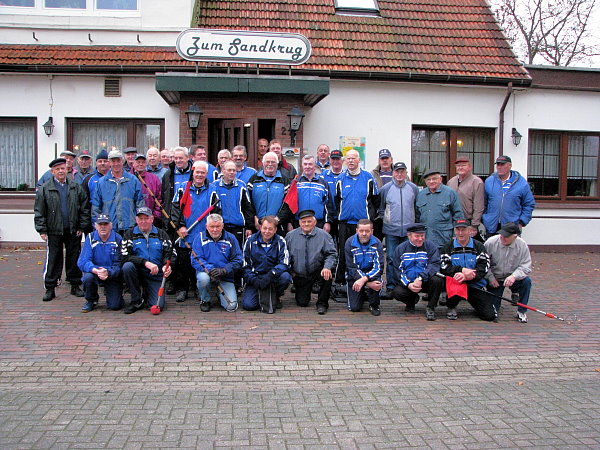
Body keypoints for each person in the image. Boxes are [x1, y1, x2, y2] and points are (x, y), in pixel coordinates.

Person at [34, 157, 89, 301]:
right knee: (54, 259)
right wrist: (42, 230)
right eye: (57, 169)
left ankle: (75, 285)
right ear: (52, 172)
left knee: (74, 258)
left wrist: (81, 226)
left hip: (73, 230)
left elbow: (84, 208)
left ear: (67, 170)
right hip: (53, 230)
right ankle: (50, 287)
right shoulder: (45, 189)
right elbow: (39, 211)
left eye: (62, 168)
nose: (60, 171)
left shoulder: (75, 187)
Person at [171, 160, 220, 303]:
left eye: (202, 172)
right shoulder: (182, 189)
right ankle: (182, 289)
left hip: (203, 234)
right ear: (193, 172)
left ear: (206, 174)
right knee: (183, 263)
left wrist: (211, 229)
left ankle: (198, 288)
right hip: (186, 233)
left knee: (199, 262)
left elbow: (217, 212)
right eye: (197, 172)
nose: (199, 175)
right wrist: (180, 226)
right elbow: (175, 209)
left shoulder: (212, 190)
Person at [334, 149, 380, 294]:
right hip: (345, 223)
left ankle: (365, 280)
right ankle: (340, 281)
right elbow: (336, 200)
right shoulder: (340, 179)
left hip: (363, 224)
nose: (351, 161)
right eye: (348, 158)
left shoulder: (368, 177)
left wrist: (370, 217)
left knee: (364, 253)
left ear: (359, 160)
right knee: (343, 252)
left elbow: (376, 199)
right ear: (345, 161)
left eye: (354, 158)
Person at [121, 207, 174, 314]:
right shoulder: (129, 234)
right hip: (137, 272)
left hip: (156, 274)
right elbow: (125, 256)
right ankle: (136, 300)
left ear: (152, 219)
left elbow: (170, 253)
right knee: (127, 267)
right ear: (136, 220)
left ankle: (147, 293)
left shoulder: (162, 234)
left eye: (146, 218)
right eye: (140, 219)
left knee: (158, 305)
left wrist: (167, 265)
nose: (143, 221)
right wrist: (145, 262)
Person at [440, 219, 495, 321]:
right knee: (453, 294)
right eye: (458, 230)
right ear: (454, 231)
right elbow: (443, 267)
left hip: (475, 284)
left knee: (489, 316)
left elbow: (484, 266)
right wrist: (461, 270)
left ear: (469, 231)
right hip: (456, 284)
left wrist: (470, 276)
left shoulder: (479, 246)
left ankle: (476, 305)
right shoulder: (448, 246)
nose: (460, 233)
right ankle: (451, 306)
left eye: (463, 230)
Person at [378, 161, 418, 297]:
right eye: (397, 171)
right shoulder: (386, 188)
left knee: (408, 258)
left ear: (406, 173)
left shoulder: (413, 188)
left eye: (402, 171)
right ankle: (390, 286)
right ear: (393, 173)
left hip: (408, 231)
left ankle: (406, 285)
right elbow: (381, 208)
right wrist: (387, 220)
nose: (399, 174)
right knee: (391, 258)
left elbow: (416, 207)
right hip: (391, 231)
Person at [285, 210, 337, 314]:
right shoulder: (290, 236)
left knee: (327, 275)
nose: (306, 224)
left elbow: (332, 254)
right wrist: (291, 272)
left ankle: (322, 303)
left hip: (317, 270)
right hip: (300, 274)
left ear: (315, 222)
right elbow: (285, 256)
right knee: (302, 302)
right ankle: (300, 289)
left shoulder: (324, 236)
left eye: (309, 221)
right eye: (303, 222)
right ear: (299, 223)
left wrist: (327, 267)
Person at [390, 223, 444, 320]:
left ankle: (431, 307)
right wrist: (408, 284)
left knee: (437, 280)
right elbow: (397, 271)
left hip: (426, 280)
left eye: (422, 236)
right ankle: (411, 301)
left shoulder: (431, 247)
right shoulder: (400, 249)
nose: (420, 239)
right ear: (409, 235)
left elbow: (434, 265)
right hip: (409, 282)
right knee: (397, 292)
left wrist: (421, 278)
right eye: (417, 236)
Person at [190, 214, 243, 312]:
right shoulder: (199, 238)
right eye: (212, 226)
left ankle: (220, 294)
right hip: (207, 273)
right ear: (206, 226)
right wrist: (211, 270)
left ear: (222, 226)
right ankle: (205, 300)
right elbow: (196, 259)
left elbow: (238, 260)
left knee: (231, 306)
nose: (215, 230)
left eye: (218, 226)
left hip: (225, 275)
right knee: (203, 279)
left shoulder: (231, 238)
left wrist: (224, 270)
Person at [484, 222, 533, 323]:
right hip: (496, 278)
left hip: (513, 277)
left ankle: (522, 311)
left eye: (506, 236)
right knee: (492, 312)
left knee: (526, 282)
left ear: (515, 236)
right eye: (501, 234)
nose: (502, 237)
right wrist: (490, 277)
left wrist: (514, 276)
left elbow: (526, 266)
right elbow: (483, 263)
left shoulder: (522, 245)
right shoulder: (490, 243)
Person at [242, 215, 292, 313]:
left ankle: (275, 296)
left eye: (270, 229)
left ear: (275, 230)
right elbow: (245, 264)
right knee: (249, 305)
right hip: (256, 276)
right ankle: (261, 295)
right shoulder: (250, 240)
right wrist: (253, 279)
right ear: (260, 227)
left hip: (273, 276)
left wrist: (272, 273)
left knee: (285, 277)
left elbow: (284, 263)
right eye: (265, 228)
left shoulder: (280, 241)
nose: (267, 231)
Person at [77, 214, 123, 312]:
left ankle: (116, 295)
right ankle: (91, 300)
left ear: (111, 225)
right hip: (95, 271)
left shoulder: (118, 239)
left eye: (105, 224)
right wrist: (96, 270)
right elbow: (83, 261)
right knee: (87, 278)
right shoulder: (90, 237)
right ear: (95, 226)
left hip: (111, 273)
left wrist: (108, 272)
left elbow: (119, 263)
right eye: (100, 224)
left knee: (115, 306)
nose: (103, 227)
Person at [91, 150, 145, 235]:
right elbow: (96, 208)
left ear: (122, 161)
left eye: (118, 160)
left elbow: (140, 204)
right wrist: (97, 227)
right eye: (113, 161)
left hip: (130, 227)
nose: (116, 164)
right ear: (109, 162)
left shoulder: (133, 180)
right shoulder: (101, 183)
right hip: (109, 228)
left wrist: (140, 224)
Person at [482, 155, 535, 238]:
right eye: (498, 164)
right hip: (491, 226)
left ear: (510, 165)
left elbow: (529, 204)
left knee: (511, 247)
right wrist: (485, 218)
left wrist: (521, 222)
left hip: (511, 226)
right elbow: (483, 202)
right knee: (491, 246)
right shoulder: (489, 181)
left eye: (502, 164)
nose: (499, 167)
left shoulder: (521, 183)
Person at [344, 219, 385, 316]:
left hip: (372, 275)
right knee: (354, 308)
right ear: (356, 231)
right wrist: (366, 283)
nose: (364, 234)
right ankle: (363, 293)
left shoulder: (377, 243)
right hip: (354, 276)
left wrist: (365, 280)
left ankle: (374, 304)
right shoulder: (349, 243)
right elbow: (351, 267)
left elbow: (379, 267)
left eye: (367, 231)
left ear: (372, 231)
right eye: (361, 231)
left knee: (377, 284)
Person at [415, 169, 464, 249]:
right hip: (425, 239)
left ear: (440, 179)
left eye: (434, 179)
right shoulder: (421, 195)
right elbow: (417, 217)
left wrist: (456, 235)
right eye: (428, 180)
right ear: (425, 182)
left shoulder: (450, 193)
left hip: (444, 238)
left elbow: (458, 215)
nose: (431, 181)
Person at [247, 152, 291, 233]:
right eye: (267, 161)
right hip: (257, 225)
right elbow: (248, 202)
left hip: (278, 225)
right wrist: (254, 218)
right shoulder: (254, 179)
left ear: (277, 164)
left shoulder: (284, 180)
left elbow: (287, 204)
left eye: (273, 162)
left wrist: (277, 220)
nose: (270, 164)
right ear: (263, 163)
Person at [212, 160, 254, 246]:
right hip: (221, 227)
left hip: (238, 227)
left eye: (234, 170)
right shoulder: (214, 186)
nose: (232, 172)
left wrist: (249, 227)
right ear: (223, 171)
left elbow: (247, 207)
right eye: (229, 170)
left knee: (238, 251)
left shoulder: (241, 186)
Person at [447, 155, 485, 240]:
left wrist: (474, 225)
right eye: (458, 165)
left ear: (470, 167)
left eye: (463, 165)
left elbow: (479, 206)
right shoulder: (451, 182)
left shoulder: (477, 182)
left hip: (468, 222)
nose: (460, 167)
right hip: (452, 222)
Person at [294, 155, 333, 232]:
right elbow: (290, 205)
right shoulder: (296, 182)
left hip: (318, 223)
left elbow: (328, 204)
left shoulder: (323, 183)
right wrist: (290, 222)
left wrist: (327, 222)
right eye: (305, 164)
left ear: (315, 166)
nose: (307, 166)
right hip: (299, 222)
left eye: (310, 164)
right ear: (302, 165)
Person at [81, 150, 110, 234]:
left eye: (105, 161)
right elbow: (83, 202)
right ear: (96, 163)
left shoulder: (115, 178)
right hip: (92, 218)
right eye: (100, 161)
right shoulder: (88, 179)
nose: (102, 163)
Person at [132, 153, 163, 223]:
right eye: (138, 162)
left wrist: (154, 216)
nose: (140, 164)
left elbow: (159, 199)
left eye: (143, 162)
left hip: (150, 220)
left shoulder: (154, 179)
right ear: (133, 163)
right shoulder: (127, 178)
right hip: (131, 221)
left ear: (146, 164)